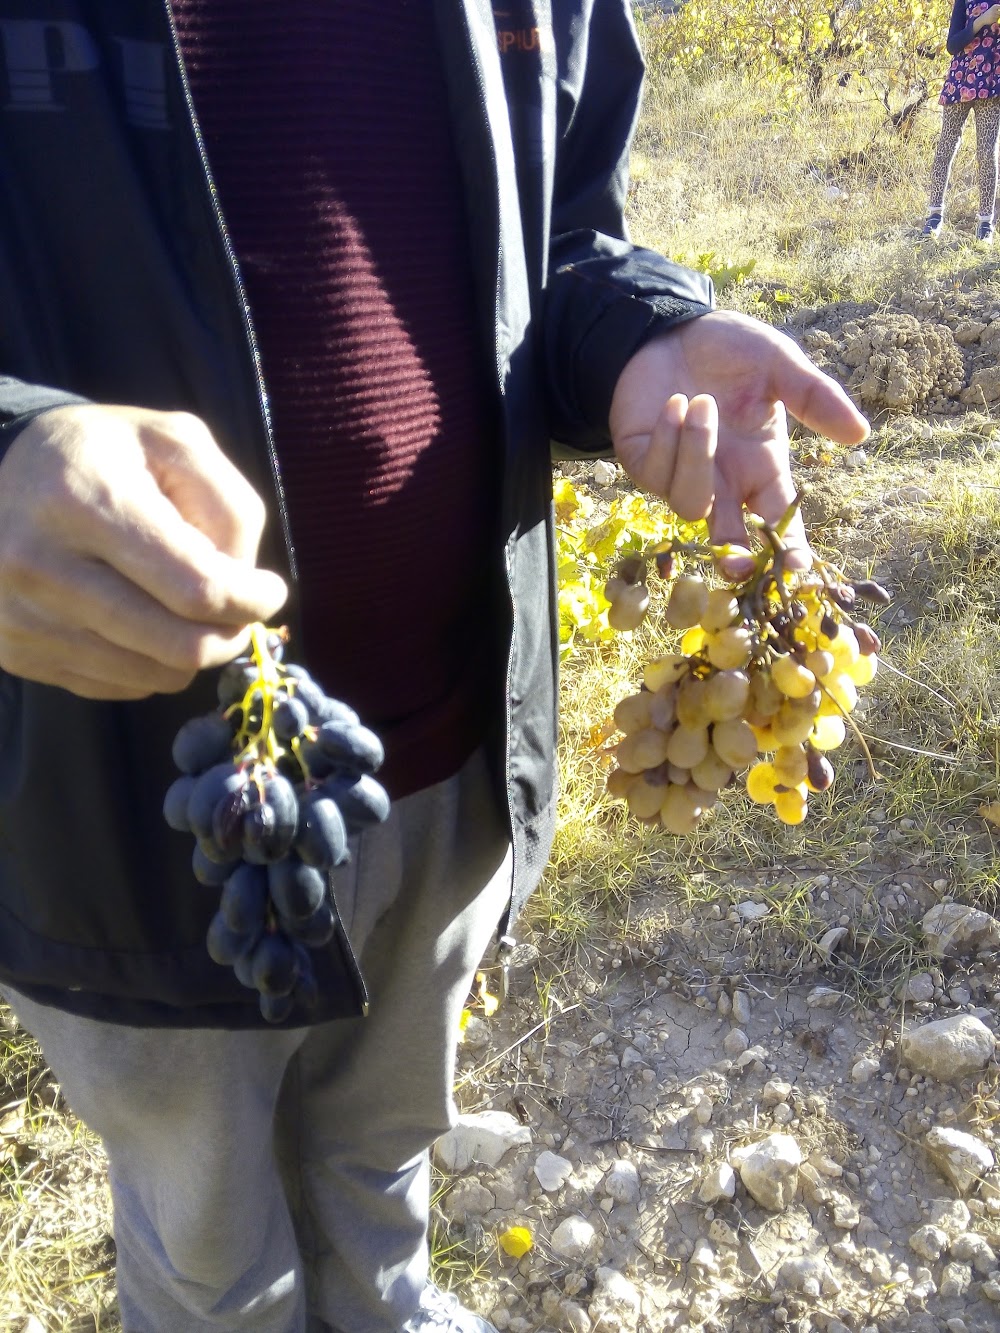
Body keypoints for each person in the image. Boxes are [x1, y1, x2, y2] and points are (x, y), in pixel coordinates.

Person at [0, 3, 869, 1331]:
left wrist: (641, 338)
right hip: (115, 813)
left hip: (449, 754)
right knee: (208, 1242)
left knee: (382, 1150)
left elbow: (563, 236)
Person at [921, 0, 1000, 243]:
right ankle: (934, 215)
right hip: (960, 80)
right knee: (946, 146)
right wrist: (981, 21)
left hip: (991, 84)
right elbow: (952, 45)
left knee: (987, 153)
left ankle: (985, 223)